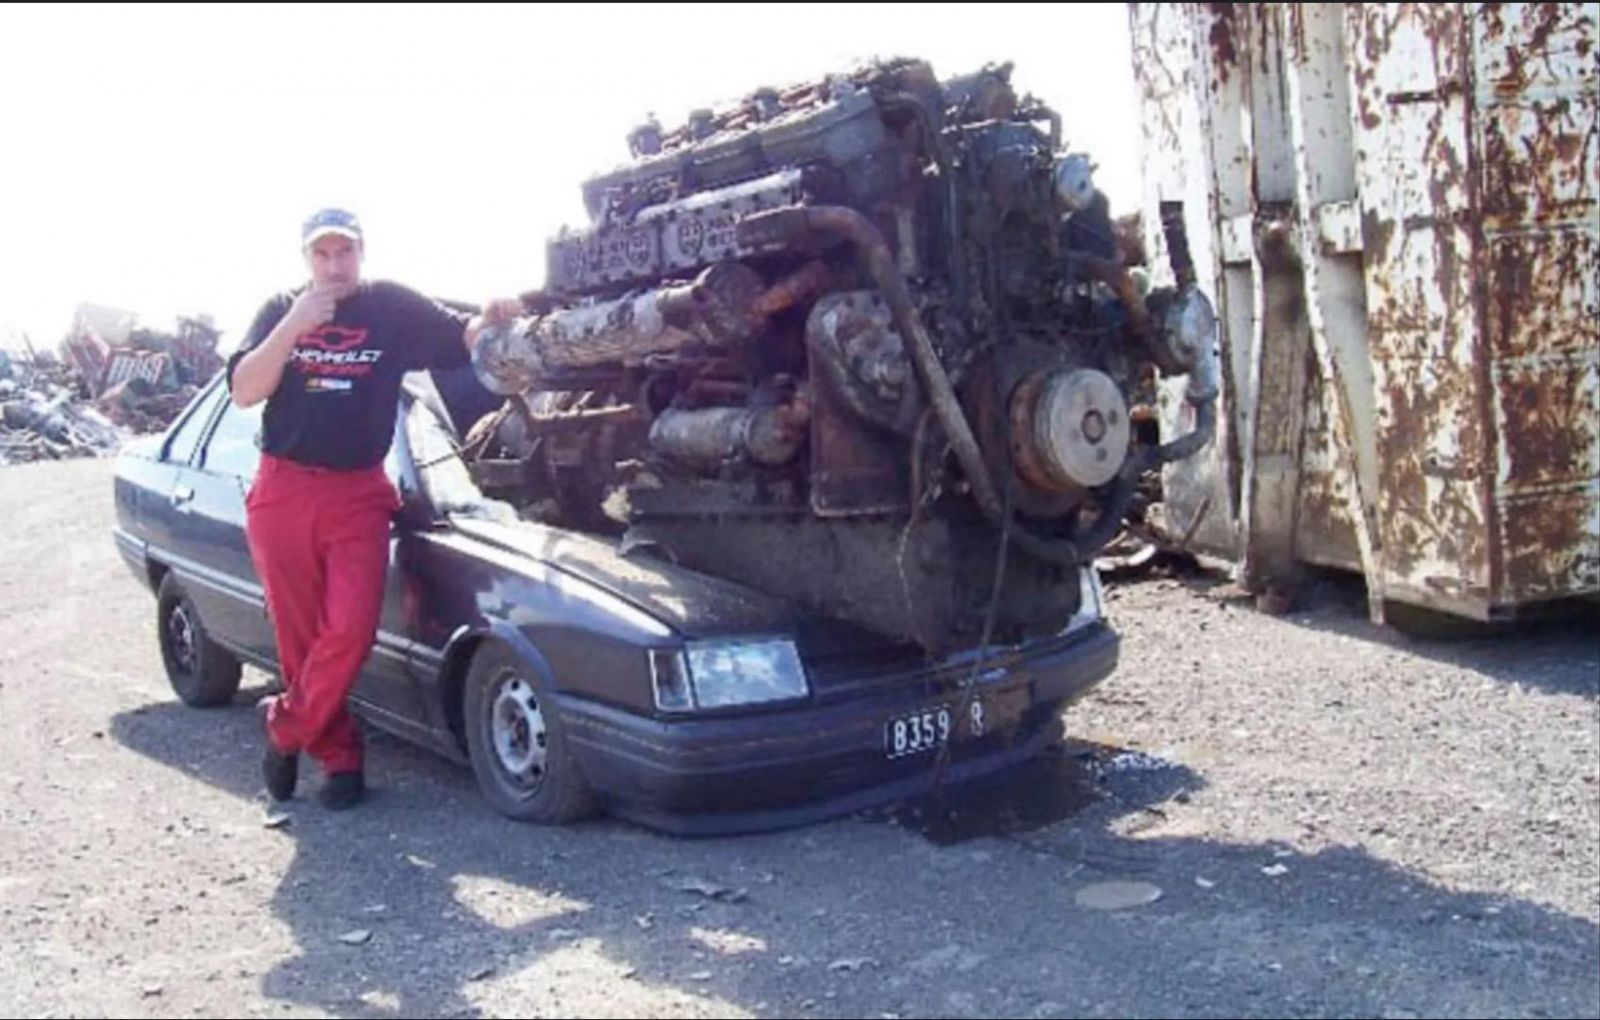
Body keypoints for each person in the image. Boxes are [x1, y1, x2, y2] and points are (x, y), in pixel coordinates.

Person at [227, 207, 521, 810]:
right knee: (301, 640)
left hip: (357, 492)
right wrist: (294, 325)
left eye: (345, 253)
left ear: (362, 253)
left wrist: (493, 319)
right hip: (284, 490)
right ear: (306, 259)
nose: (335, 266)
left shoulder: (390, 306)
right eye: (322, 255)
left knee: (351, 630)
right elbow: (244, 390)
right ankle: (340, 760)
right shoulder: (279, 308)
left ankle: (284, 728)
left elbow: (461, 338)